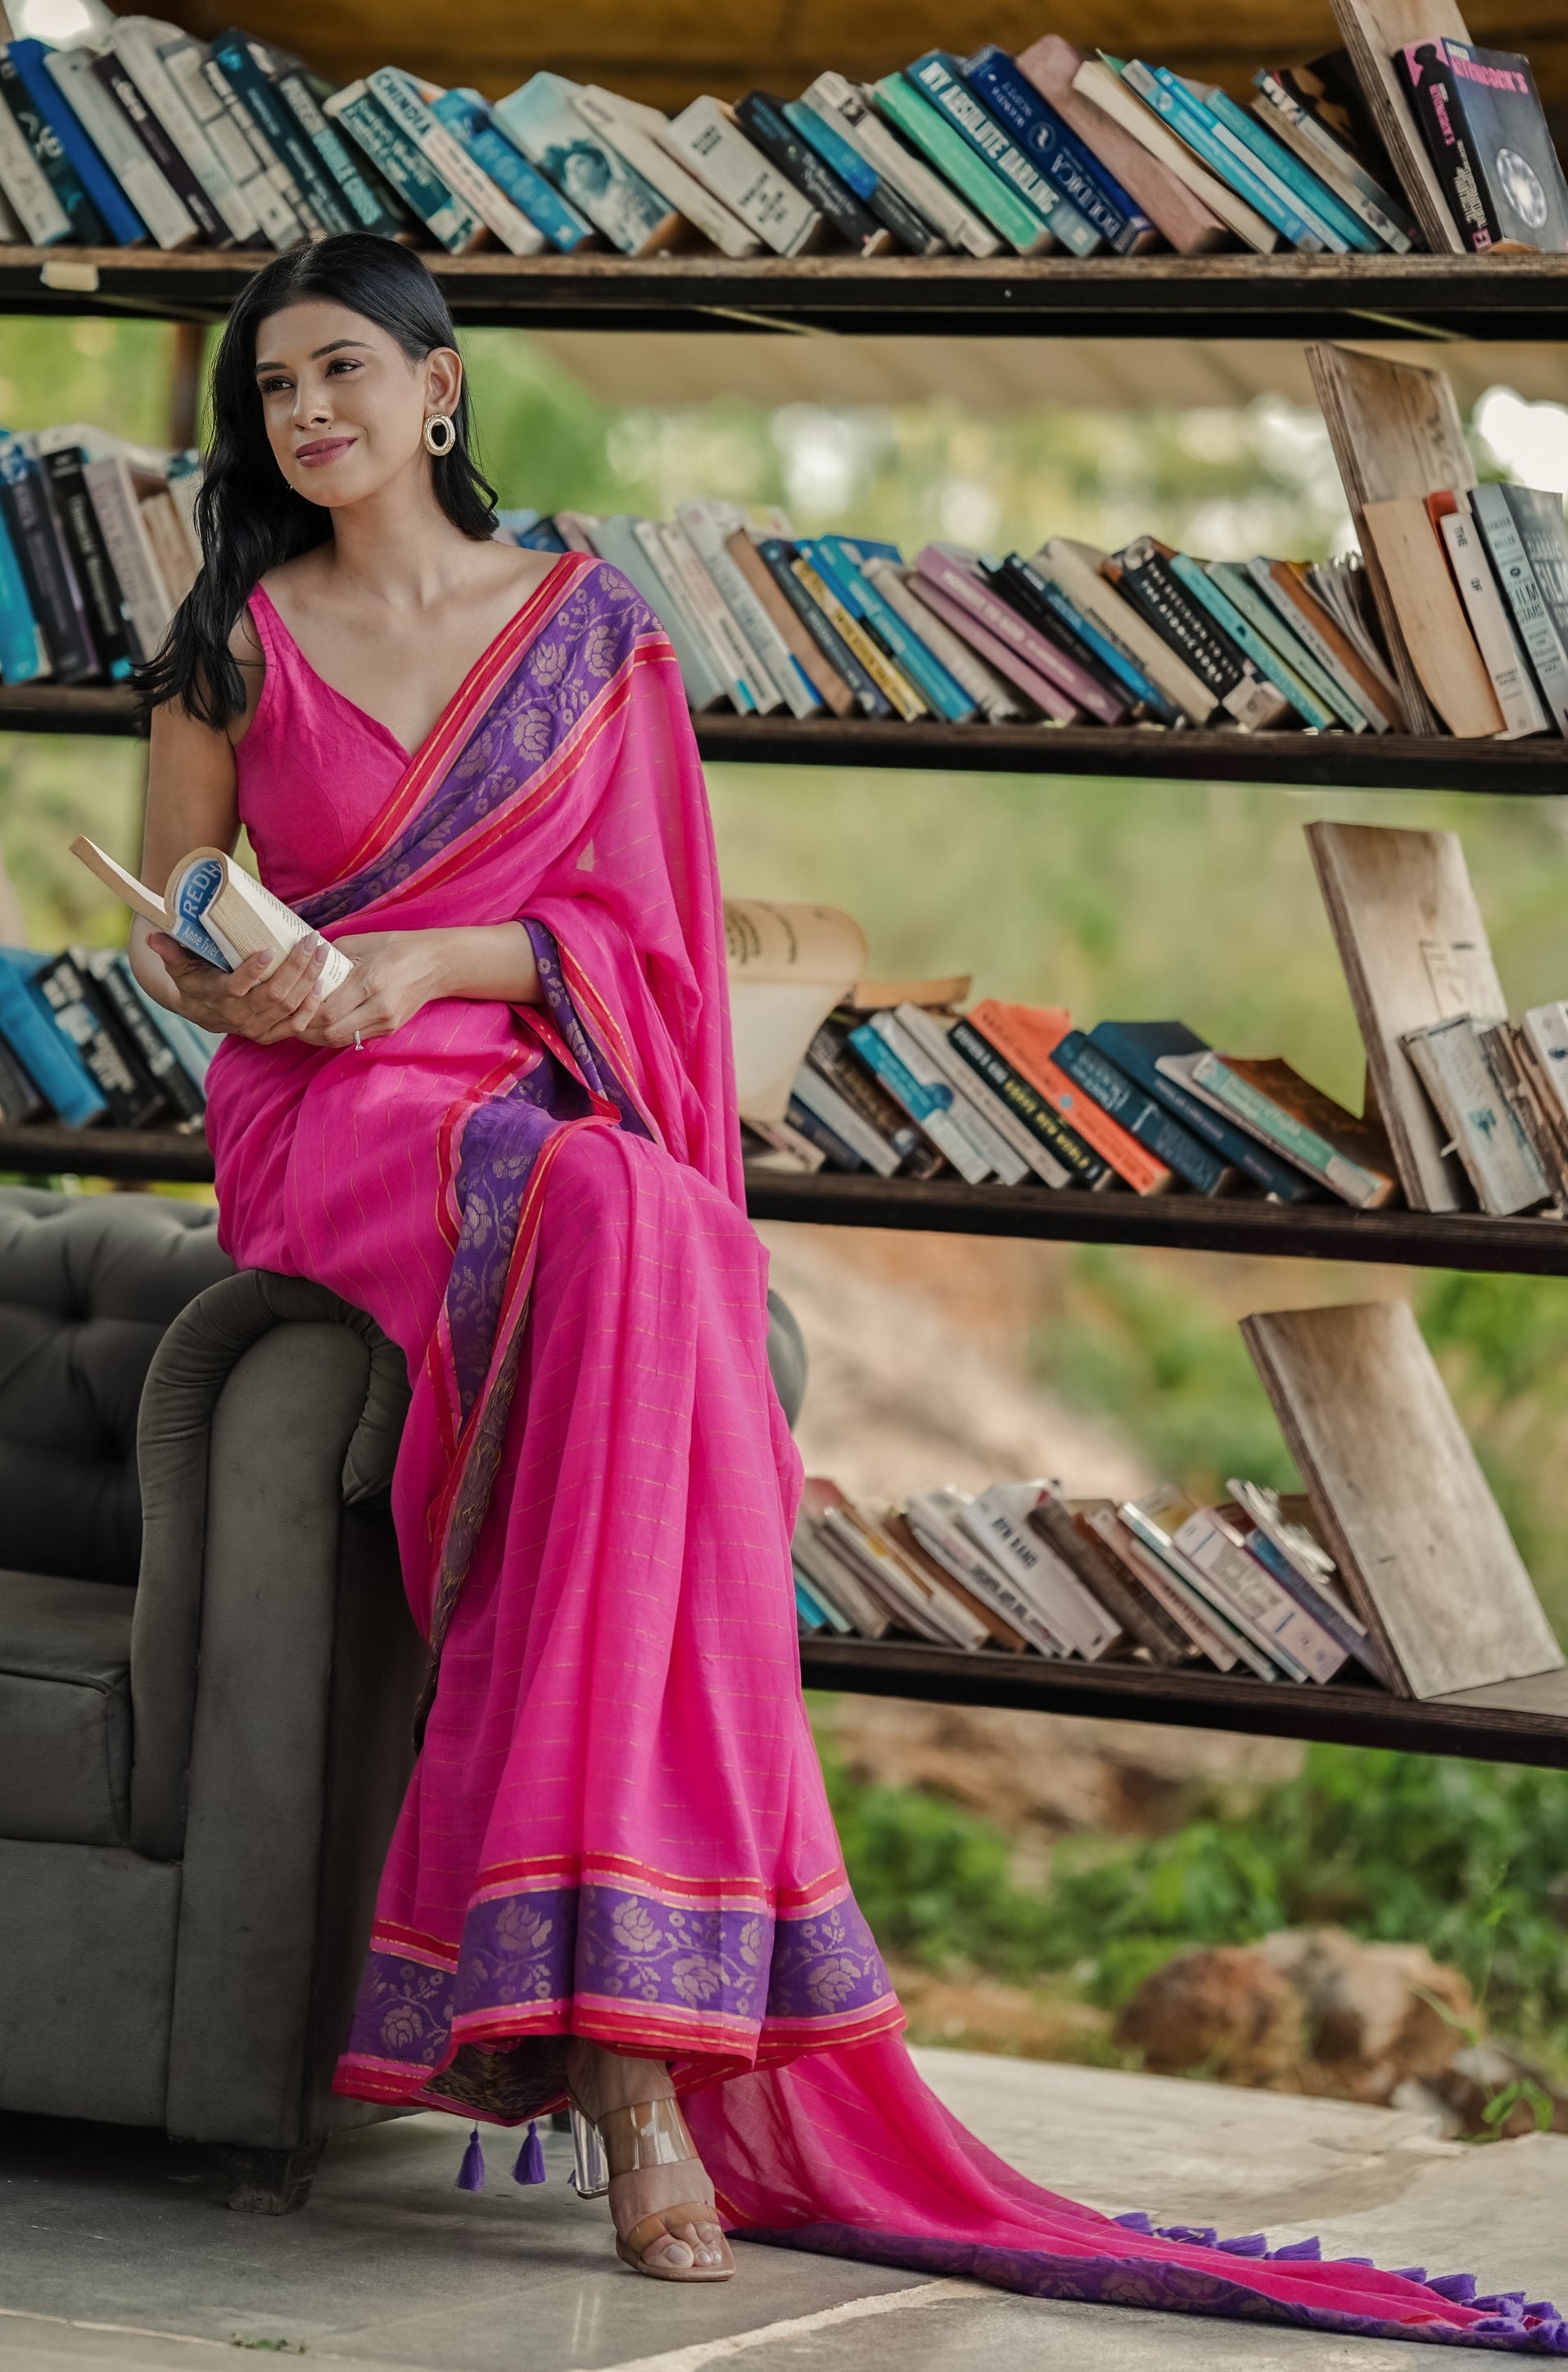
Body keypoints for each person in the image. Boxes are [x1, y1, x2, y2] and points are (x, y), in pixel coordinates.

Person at [129, 234, 1558, 2348]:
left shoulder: (589, 633)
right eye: (273, 390)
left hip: (529, 1075)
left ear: (439, 389)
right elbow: (169, 925)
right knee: (636, 1232)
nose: (306, 414)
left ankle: (631, 2060)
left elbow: (649, 943)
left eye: (343, 370)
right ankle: (639, 2075)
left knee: (650, 1235)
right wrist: (228, 969)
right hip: (331, 1115)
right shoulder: (228, 644)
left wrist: (428, 959)